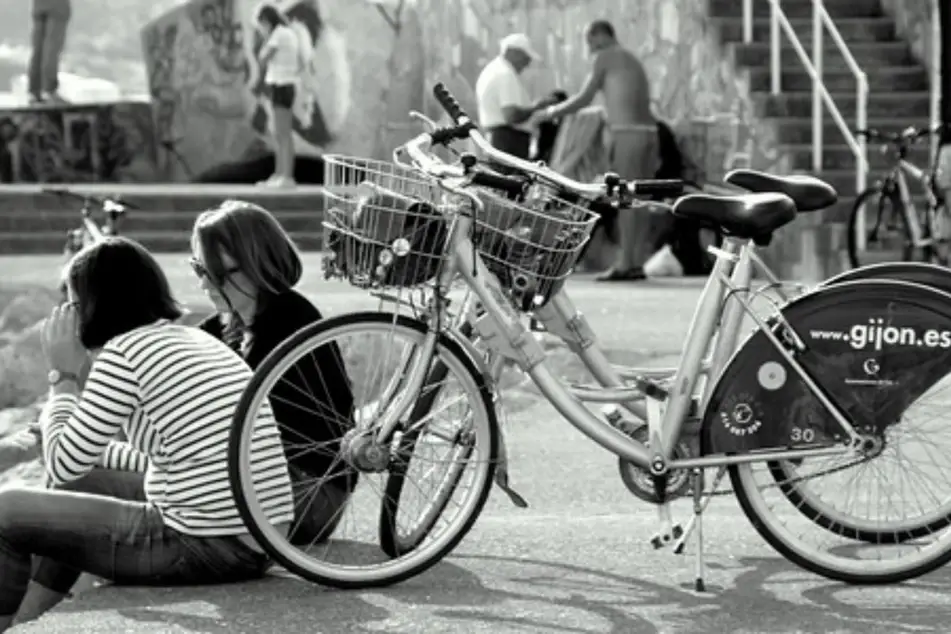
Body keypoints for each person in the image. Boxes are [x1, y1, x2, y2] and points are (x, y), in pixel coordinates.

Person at [0, 237, 295, 630]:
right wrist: (52, 437)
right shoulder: (193, 339)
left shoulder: (124, 354)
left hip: (206, 545)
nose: (66, 314)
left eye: (71, 300)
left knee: (6, 511)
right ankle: (27, 619)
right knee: (81, 483)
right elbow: (157, 459)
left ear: (92, 301)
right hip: (263, 538)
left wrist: (63, 376)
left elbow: (65, 463)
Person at [191, 200, 357, 547]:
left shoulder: (286, 324)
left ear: (256, 265)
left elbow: (227, 424)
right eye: (199, 270)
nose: (204, 284)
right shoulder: (234, 320)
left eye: (217, 273)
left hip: (311, 494)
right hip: (278, 484)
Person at [540, 20, 657, 282]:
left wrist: (550, 113)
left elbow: (584, 98)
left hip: (628, 134)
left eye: (589, 41)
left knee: (625, 198)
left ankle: (626, 265)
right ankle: (636, 262)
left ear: (599, 36)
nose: (589, 48)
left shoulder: (605, 57)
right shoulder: (630, 59)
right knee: (640, 202)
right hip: (650, 133)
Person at [475, 33, 558, 167]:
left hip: (500, 140)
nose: (526, 64)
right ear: (513, 53)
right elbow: (511, 115)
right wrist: (536, 107)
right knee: (511, 185)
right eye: (525, 58)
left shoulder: (494, 70)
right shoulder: (505, 75)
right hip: (509, 142)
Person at [255, 3, 302, 188]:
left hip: (282, 85)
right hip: (283, 85)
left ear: (266, 21)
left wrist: (264, 41)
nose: (262, 30)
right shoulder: (286, 33)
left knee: (283, 133)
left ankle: (286, 176)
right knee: (280, 132)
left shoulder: (279, 34)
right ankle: (280, 173)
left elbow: (263, 58)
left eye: (261, 25)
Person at [28, 0, 71, 105]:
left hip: (39, 4)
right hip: (57, 4)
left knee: (38, 47)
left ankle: (35, 91)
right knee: (52, 46)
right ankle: (50, 90)